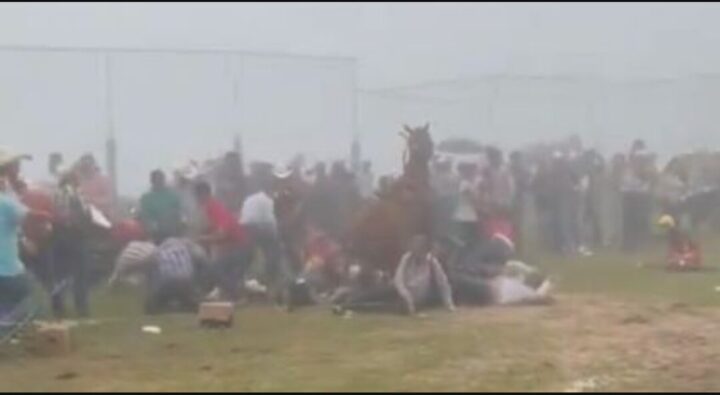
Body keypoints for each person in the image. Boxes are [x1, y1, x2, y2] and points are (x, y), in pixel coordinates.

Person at [194, 181, 250, 302]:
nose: (196, 200)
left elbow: (222, 233)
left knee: (215, 269)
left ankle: (237, 296)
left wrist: (203, 239)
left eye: (197, 196)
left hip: (239, 246)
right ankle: (232, 294)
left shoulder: (214, 207)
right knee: (220, 269)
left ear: (203, 194)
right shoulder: (210, 208)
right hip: (234, 246)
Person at [50, 171, 92, 318]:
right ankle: (81, 307)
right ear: (72, 179)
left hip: (58, 235)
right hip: (75, 235)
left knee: (60, 273)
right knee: (80, 272)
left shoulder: (55, 193)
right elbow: (84, 212)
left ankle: (58, 307)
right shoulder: (75, 193)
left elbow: (54, 213)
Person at [240, 183, 284, 296]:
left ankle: (247, 284)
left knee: (249, 256)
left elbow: (243, 216)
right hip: (259, 227)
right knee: (273, 253)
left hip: (244, 228)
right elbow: (270, 220)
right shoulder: (268, 201)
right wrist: (277, 236)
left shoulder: (249, 198)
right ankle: (270, 281)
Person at [394, 234, 455, 315]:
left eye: (420, 248)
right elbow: (398, 280)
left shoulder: (432, 261)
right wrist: (406, 296)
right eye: (415, 247)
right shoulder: (406, 258)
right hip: (404, 295)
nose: (416, 251)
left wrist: (449, 304)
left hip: (423, 297)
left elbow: (443, 283)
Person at [144, 238, 208, 315]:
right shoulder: (187, 245)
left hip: (166, 282)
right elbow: (202, 259)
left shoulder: (159, 250)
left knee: (152, 305)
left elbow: (149, 263)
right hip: (185, 281)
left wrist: (152, 289)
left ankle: (163, 303)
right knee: (190, 299)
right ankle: (190, 303)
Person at [138, 170, 183, 244]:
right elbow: (146, 217)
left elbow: (179, 212)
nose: (159, 181)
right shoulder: (146, 198)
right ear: (152, 181)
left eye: (161, 179)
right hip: (156, 236)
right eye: (157, 179)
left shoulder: (173, 195)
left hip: (174, 233)